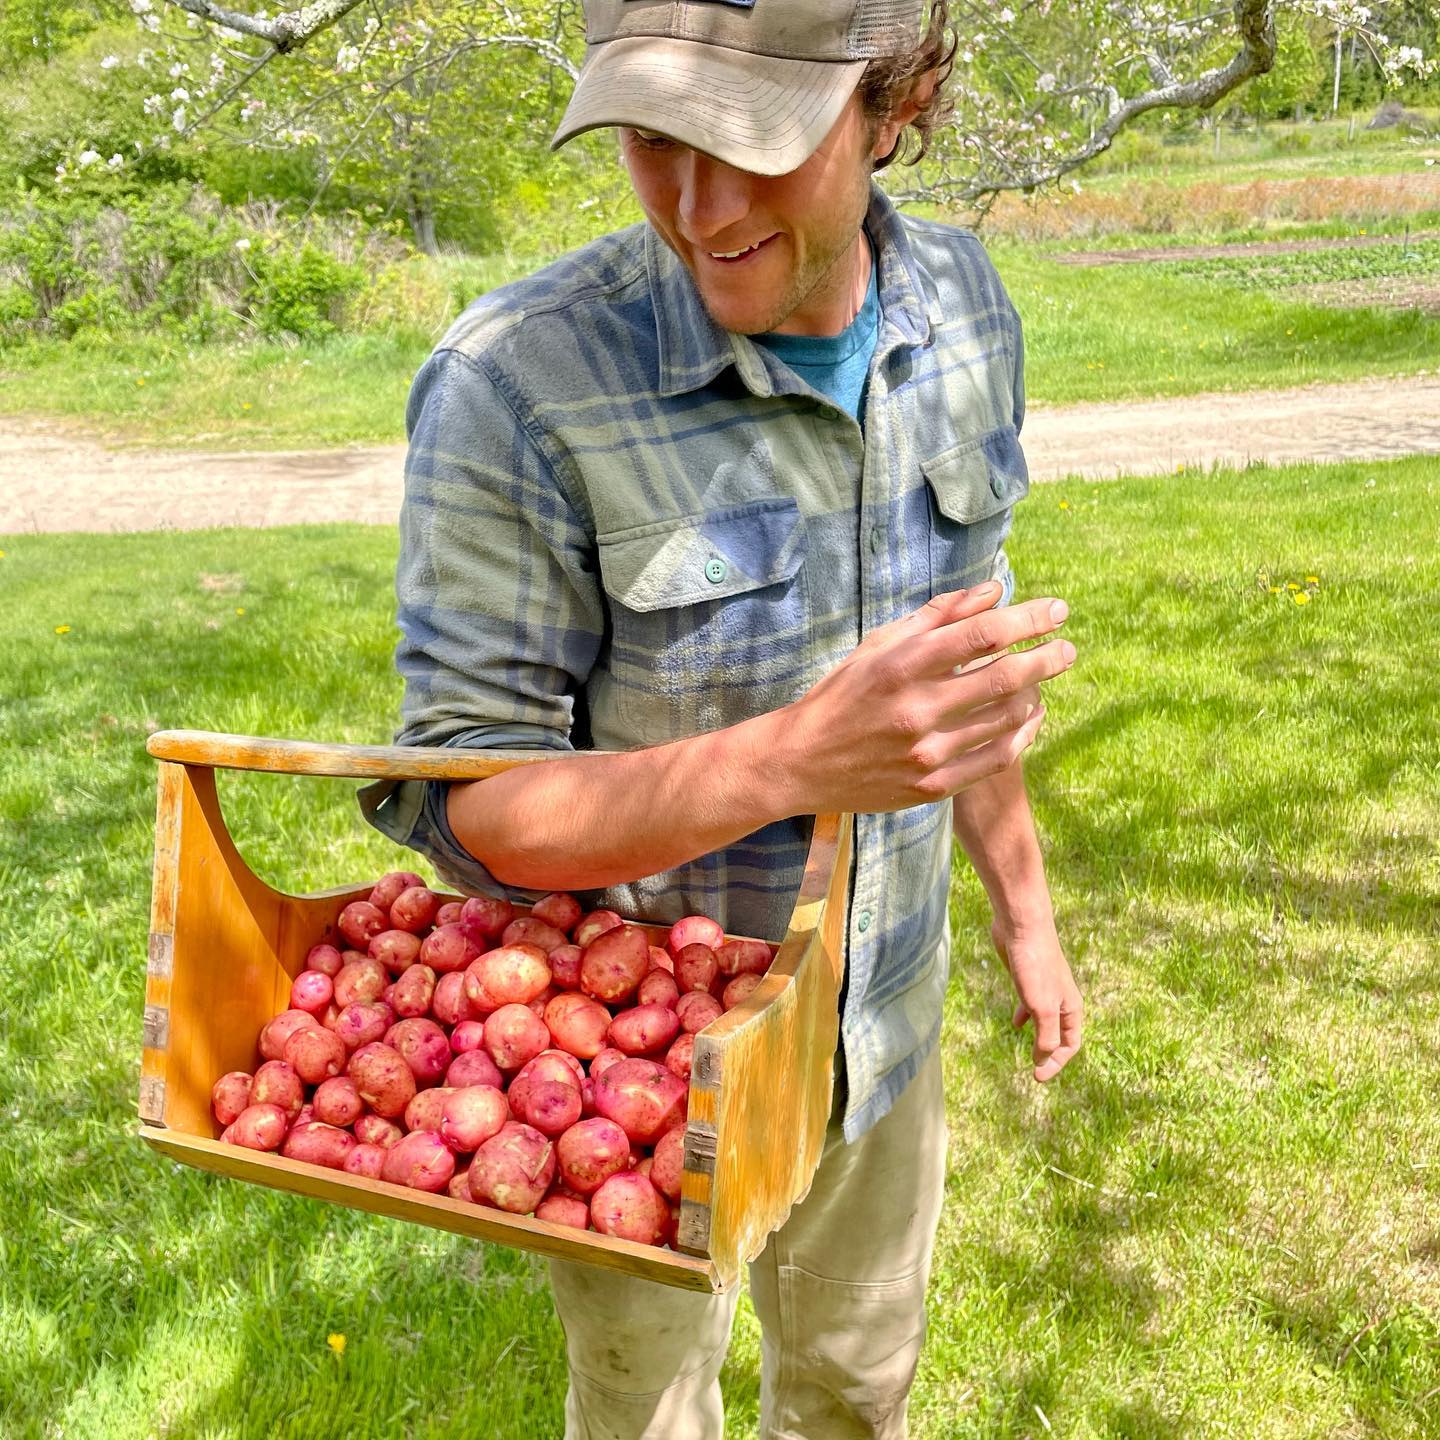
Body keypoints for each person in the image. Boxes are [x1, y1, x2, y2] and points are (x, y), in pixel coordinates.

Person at [359, 0, 1084, 1433]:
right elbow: (476, 807)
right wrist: (797, 757)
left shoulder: (964, 309)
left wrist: (1026, 910)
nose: (698, 205)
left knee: (853, 1392)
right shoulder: (515, 387)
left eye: (751, 145)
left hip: (884, 1013)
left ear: (888, 109)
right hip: (637, 1079)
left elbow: (965, 654)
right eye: (651, 138)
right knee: (644, 1411)